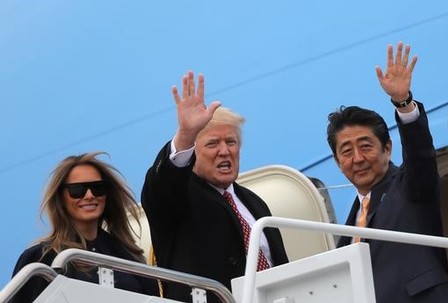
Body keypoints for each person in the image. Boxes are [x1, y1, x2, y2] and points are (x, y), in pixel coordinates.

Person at [141, 71, 289, 302]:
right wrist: (185, 135)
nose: (224, 151)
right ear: (193, 151)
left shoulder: (254, 202)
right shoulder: (178, 197)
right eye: (212, 144)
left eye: (231, 142)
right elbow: (161, 187)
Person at [327, 42, 448, 302]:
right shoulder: (350, 224)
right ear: (338, 162)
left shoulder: (409, 187)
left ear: (387, 148)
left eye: (365, 146)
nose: (358, 158)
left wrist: (403, 103)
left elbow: (420, 155)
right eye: (347, 151)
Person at [10, 152, 159, 303]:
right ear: (60, 197)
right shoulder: (41, 259)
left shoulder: (127, 256)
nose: (89, 195)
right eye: (77, 190)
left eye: (97, 188)